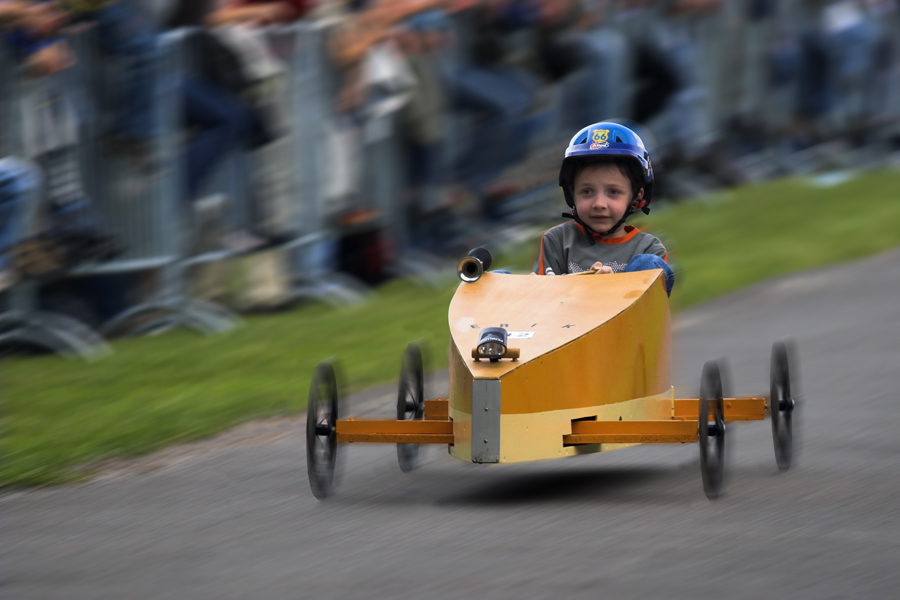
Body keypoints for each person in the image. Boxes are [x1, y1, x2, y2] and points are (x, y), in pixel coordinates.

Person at [533, 121, 674, 296]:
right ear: (572, 194)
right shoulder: (557, 240)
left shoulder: (648, 248)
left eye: (613, 192)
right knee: (500, 276)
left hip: (628, 322)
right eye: (586, 192)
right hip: (567, 321)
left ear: (636, 196)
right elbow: (541, 303)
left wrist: (611, 287)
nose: (599, 203)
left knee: (649, 263)